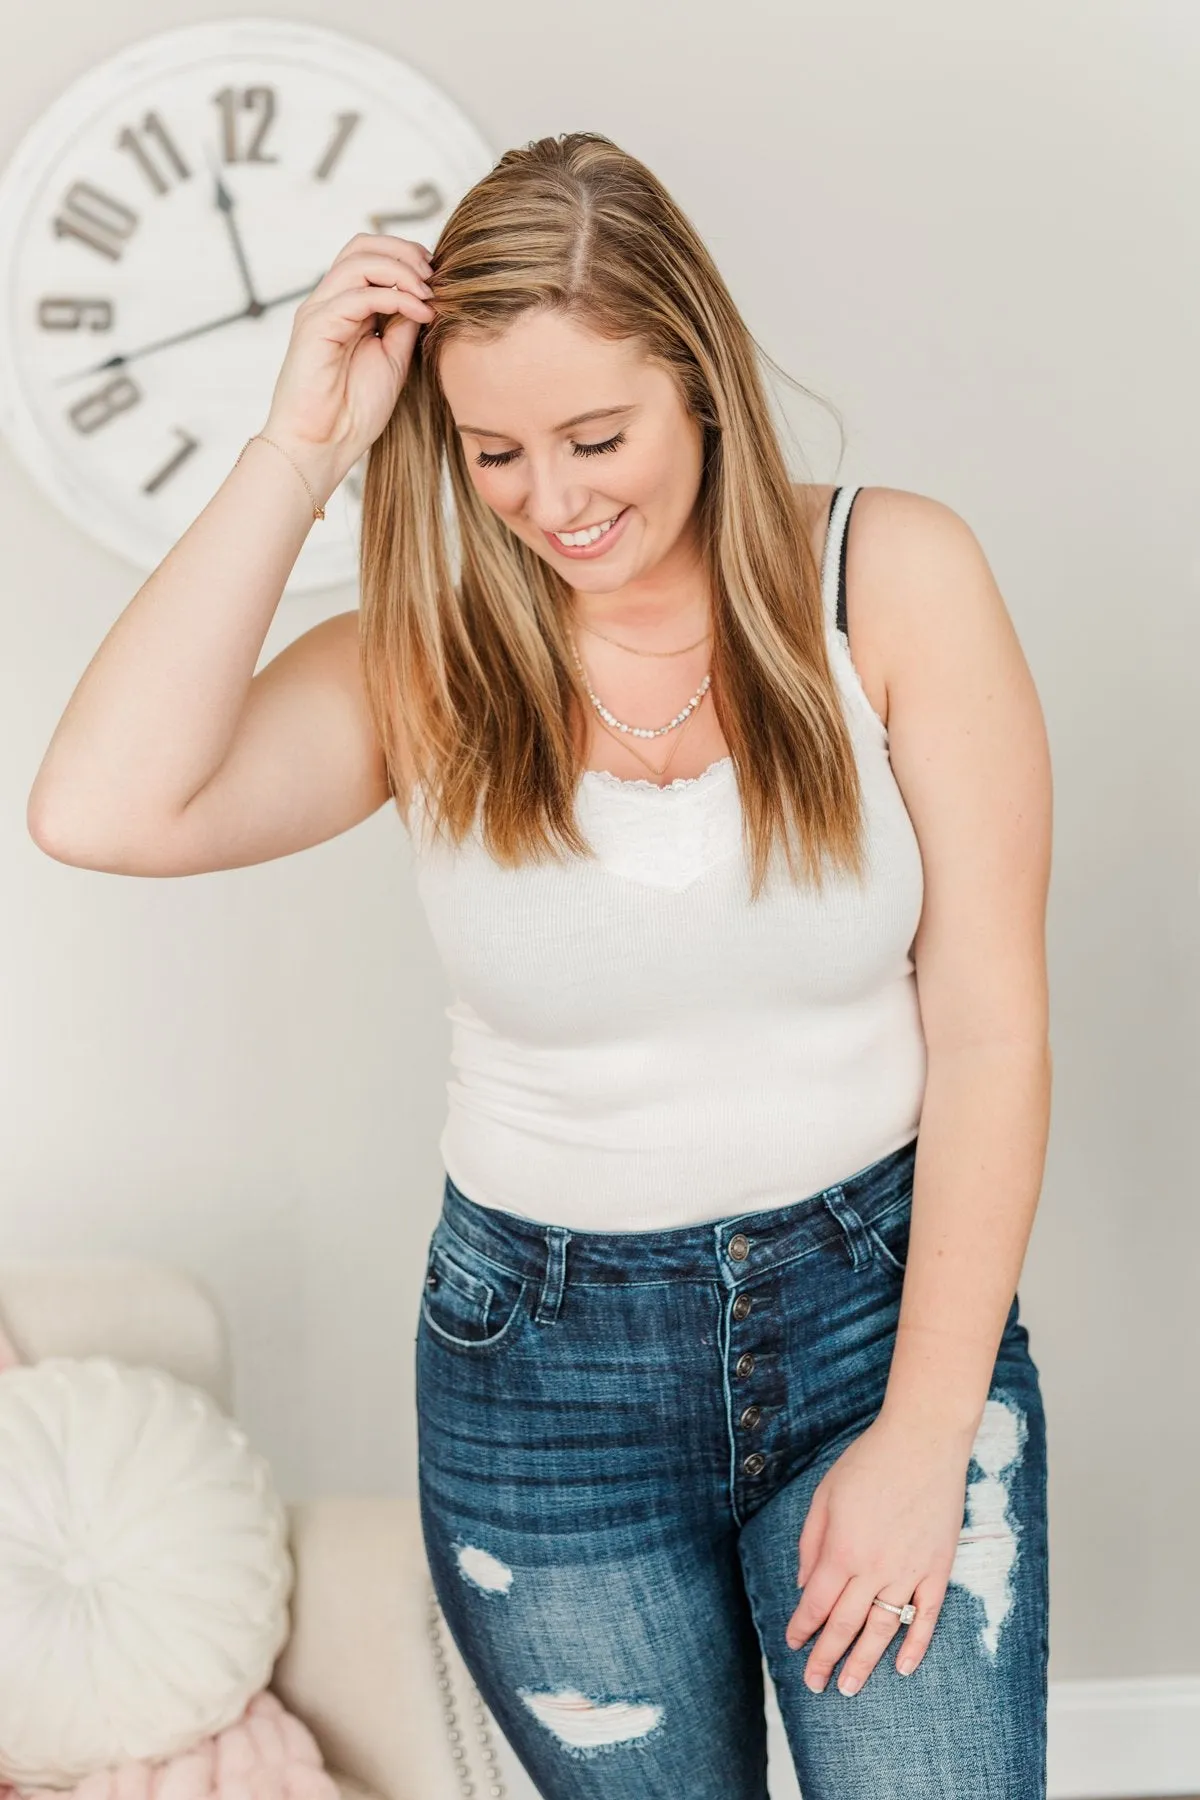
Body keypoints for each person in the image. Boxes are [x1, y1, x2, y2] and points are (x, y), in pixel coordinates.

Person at [27, 132, 1054, 1798]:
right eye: (493, 452)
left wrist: (929, 1430)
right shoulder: (426, 655)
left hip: (880, 1310)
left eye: (597, 435)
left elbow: (995, 1025)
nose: (556, 502)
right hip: (545, 1379)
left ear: (699, 377)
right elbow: (101, 807)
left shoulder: (892, 580)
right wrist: (299, 447)